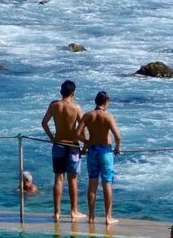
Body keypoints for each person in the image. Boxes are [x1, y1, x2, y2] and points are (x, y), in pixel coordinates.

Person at [40, 80, 87, 218]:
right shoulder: (76, 108)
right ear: (73, 93)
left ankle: (56, 212)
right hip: (72, 145)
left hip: (58, 144)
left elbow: (44, 123)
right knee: (73, 179)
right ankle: (74, 211)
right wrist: (86, 145)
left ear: (61, 92)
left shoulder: (54, 105)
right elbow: (82, 129)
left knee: (58, 179)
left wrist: (51, 138)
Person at [82, 91, 121, 221]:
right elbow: (118, 136)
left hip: (92, 151)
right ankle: (108, 217)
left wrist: (87, 143)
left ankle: (91, 216)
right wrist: (117, 147)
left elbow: (78, 134)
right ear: (106, 102)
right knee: (107, 184)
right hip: (105, 151)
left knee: (92, 183)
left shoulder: (88, 115)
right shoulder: (108, 117)